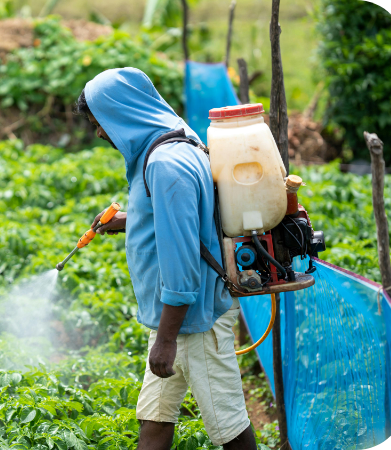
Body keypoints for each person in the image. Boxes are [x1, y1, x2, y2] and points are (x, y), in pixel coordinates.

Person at [76, 67, 256, 450]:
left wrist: (166, 339)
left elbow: (182, 258)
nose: (100, 133)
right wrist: (134, 219)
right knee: (154, 416)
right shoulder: (178, 137)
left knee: (230, 429)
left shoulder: (163, 166)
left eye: (100, 122)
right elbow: (188, 214)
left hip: (193, 322)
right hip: (178, 319)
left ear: (123, 113)